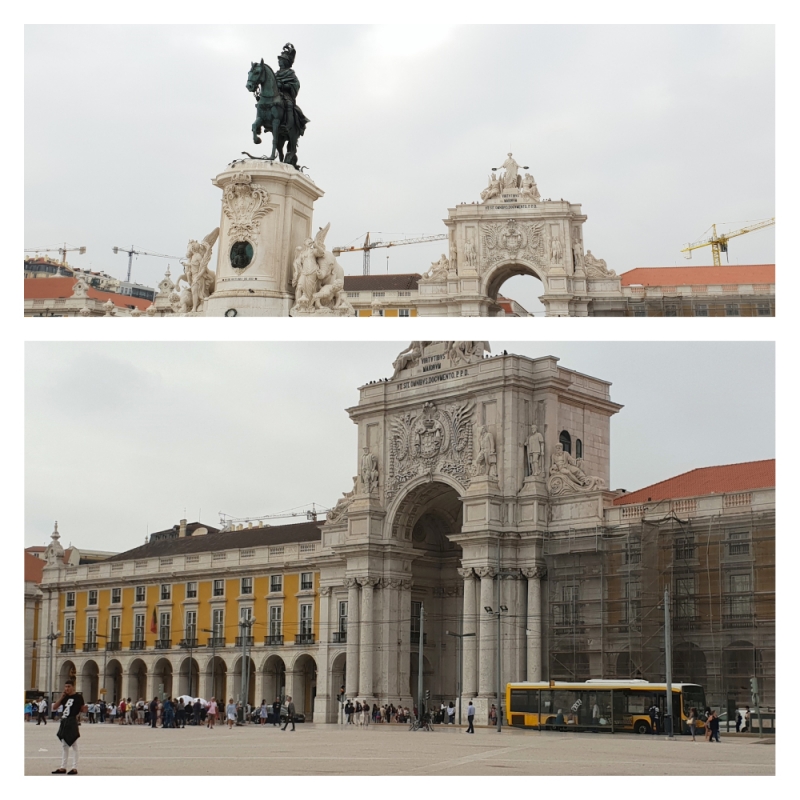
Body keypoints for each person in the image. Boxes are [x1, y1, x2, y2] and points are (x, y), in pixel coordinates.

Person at [51, 680, 87, 775]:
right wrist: (61, 697)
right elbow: (54, 707)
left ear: (73, 687)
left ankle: (74, 767)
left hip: (72, 720)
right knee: (64, 745)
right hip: (64, 720)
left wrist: (84, 710)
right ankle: (63, 767)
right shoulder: (65, 697)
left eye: (68, 686)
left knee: (74, 744)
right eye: (66, 686)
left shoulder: (78, 697)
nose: (67, 688)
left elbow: (82, 709)